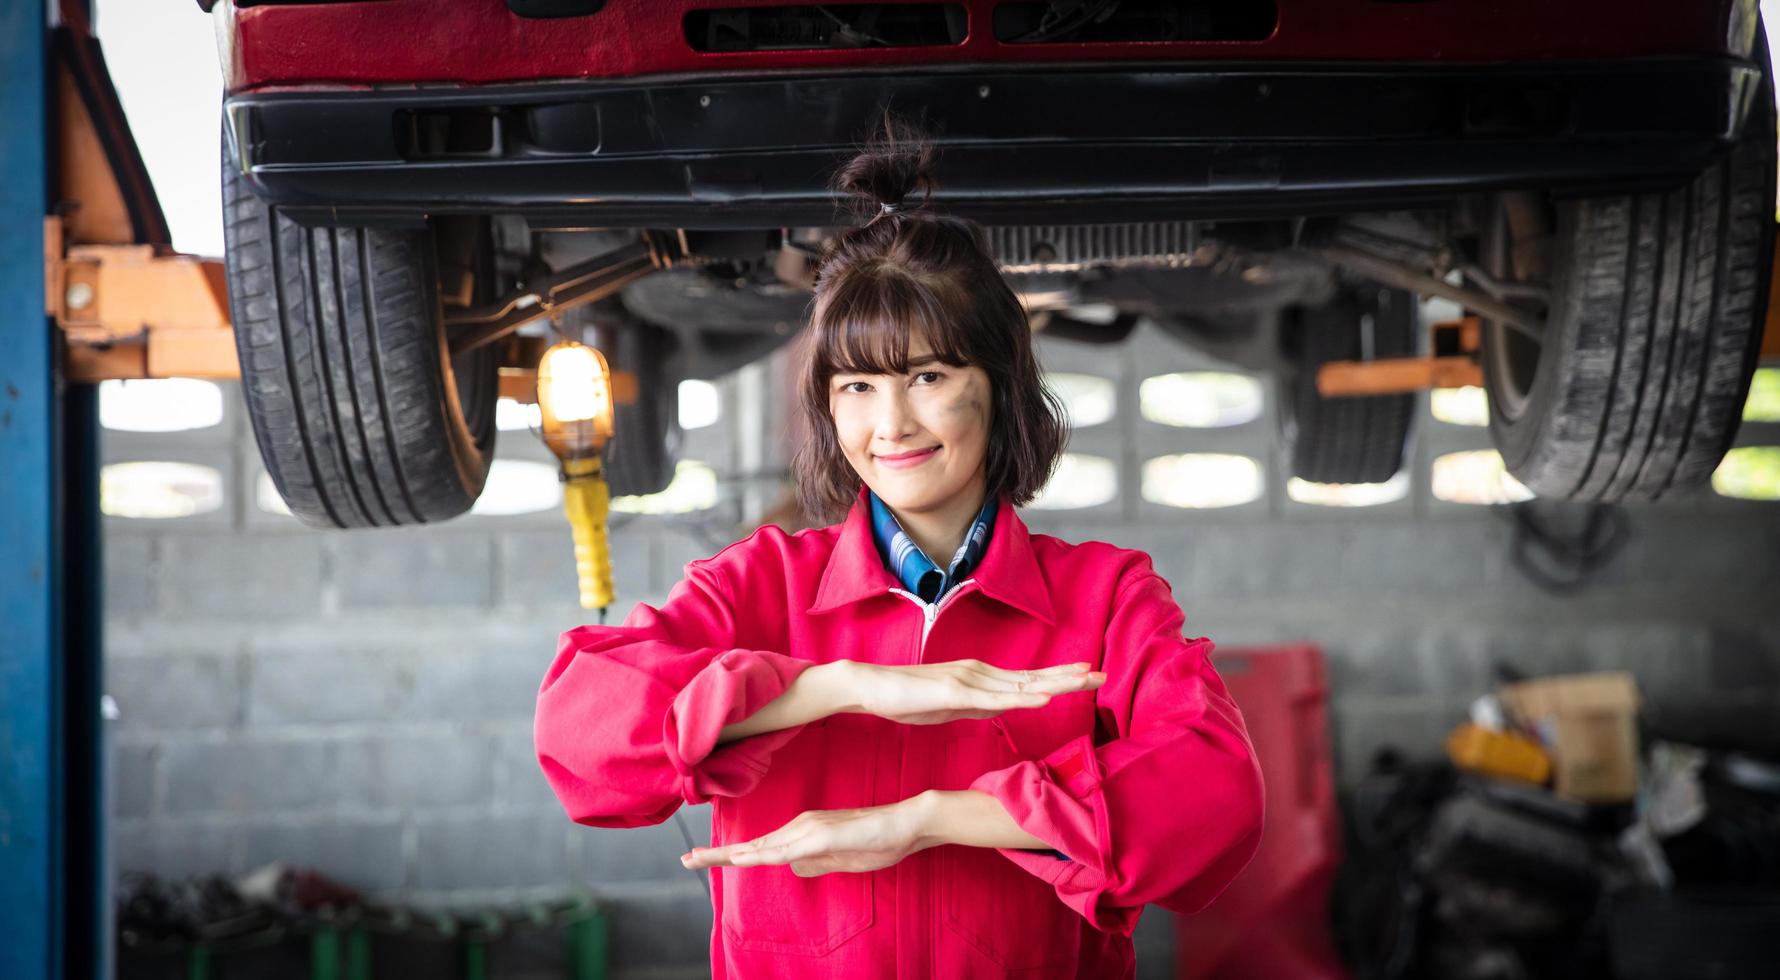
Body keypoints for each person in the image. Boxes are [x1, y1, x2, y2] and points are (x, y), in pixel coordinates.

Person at [533, 114, 1264, 980]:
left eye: (928, 377)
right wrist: (832, 687)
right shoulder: (759, 586)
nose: (891, 424)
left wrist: (928, 818)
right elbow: (580, 736)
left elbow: (1215, 794)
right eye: (858, 385)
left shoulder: (1105, 597)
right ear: (828, 405)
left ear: (999, 387)